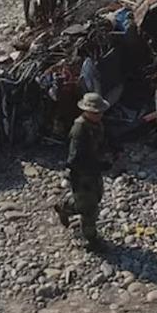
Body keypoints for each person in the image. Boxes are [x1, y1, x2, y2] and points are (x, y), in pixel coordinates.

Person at [54, 92, 112, 249]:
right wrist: (69, 174)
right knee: (90, 208)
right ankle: (91, 239)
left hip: (94, 171)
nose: (99, 115)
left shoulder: (96, 124)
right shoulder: (79, 130)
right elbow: (75, 156)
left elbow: (99, 143)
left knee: (96, 197)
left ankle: (64, 207)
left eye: (100, 112)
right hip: (82, 174)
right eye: (95, 112)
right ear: (86, 111)